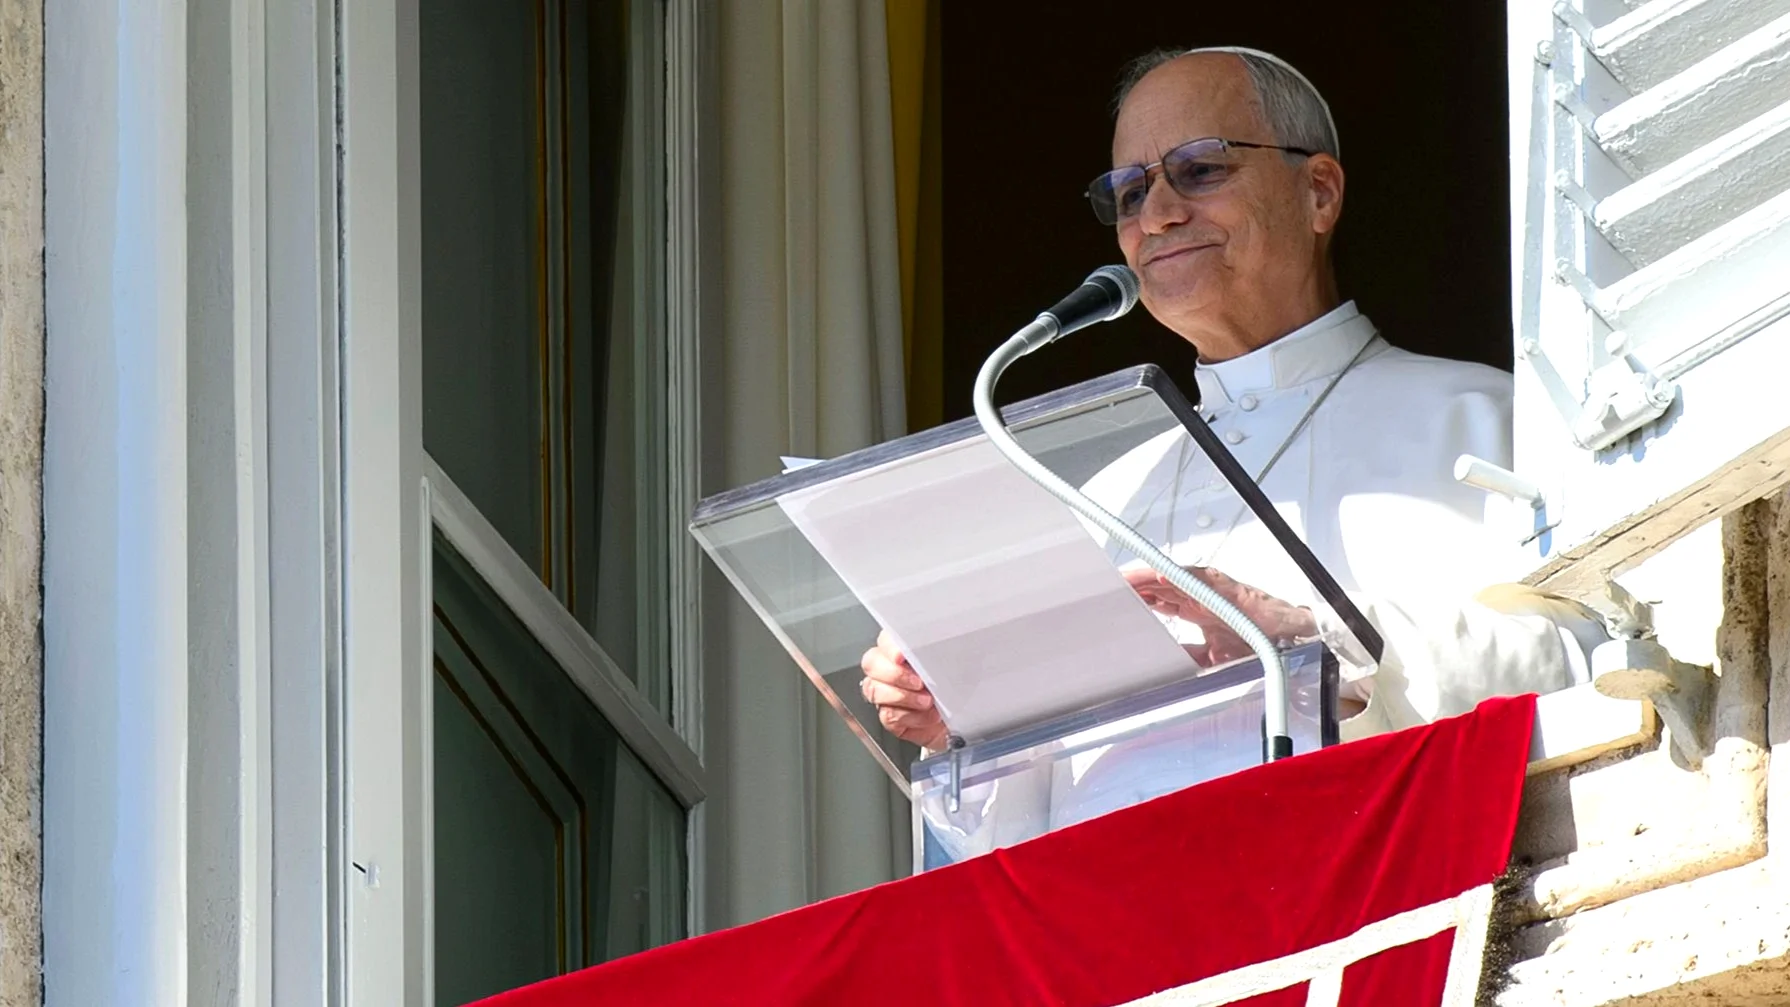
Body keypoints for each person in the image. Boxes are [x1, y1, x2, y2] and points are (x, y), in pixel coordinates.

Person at [859, 47, 1605, 853]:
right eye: (1131, 191)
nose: (1158, 214)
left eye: (1201, 169)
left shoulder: (1490, 416)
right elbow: (1025, 832)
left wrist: (1323, 651)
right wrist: (963, 727)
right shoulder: (1101, 502)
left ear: (1319, 192)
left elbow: (1592, 659)